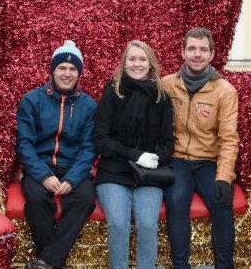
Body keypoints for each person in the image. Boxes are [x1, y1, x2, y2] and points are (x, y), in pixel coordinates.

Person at [16, 40, 98, 269]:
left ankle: (45, 261)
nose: (67, 73)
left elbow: (89, 148)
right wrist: (44, 176)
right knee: (37, 199)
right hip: (39, 167)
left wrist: (72, 179)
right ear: (53, 70)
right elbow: (24, 144)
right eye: (62, 67)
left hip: (73, 167)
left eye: (73, 69)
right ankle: (54, 262)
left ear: (79, 73)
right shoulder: (32, 100)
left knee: (85, 199)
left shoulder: (89, 105)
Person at [162, 27, 239, 269]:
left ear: (212, 54)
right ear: (183, 52)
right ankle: (180, 266)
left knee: (222, 203)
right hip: (177, 159)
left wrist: (224, 177)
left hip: (208, 161)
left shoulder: (225, 91)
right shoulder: (166, 85)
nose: (197, 54)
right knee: (176, 199)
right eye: (192, 49)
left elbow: (228, 138)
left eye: (203, 50)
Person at [93, 40, 174, 269]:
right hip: (114, 171)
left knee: (148, 224)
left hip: (149, 174)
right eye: (132, 59)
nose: (137, 64)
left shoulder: (162, 98)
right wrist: (136, 155)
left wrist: (156, 158)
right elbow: (101, 140)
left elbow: (168, 143)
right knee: (118, 224)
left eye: (142, 59)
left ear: (150, 64)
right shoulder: (112, 93)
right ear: (124, 63)